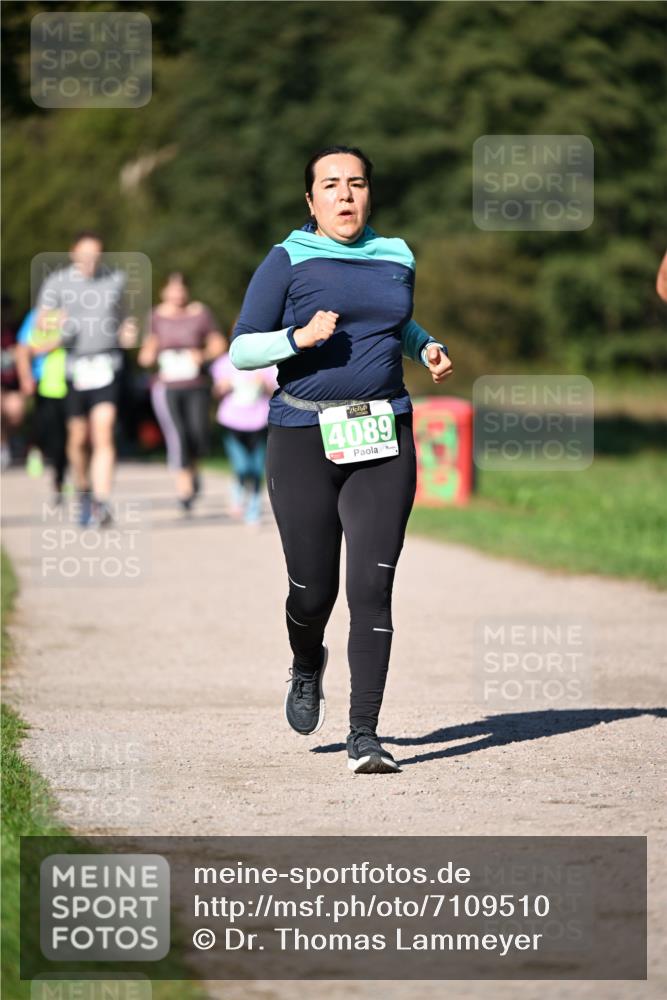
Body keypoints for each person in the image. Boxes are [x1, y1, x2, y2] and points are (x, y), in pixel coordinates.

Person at [230, 145, 452, 774]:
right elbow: (243, 350)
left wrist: (426, 345)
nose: (345, 196)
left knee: (372, 588)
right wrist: (297, 339)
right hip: (303, 434)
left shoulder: (397, 255)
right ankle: (306, 662)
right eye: (331, 185)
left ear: (369, 194)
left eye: (356, 184)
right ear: (311, 200)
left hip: (384, 431)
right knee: (313, 590)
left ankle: (365, 735)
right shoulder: (288, 258)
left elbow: (393, 323)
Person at [34, 231, 138, 526]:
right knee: (78, 438)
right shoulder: (58, 282)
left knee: (103, 432)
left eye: (96, 254)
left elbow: (125, 316)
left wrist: (128, 330)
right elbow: (41, 319)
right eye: (85, 254)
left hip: (107, 364)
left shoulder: (114, 280)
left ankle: (102, 502)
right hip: (74, 367)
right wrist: (56, 321)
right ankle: (83, 490)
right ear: (73, 254)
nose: (90, 260)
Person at [138, 273, 225, 512]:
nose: (177, 295)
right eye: (172, 290)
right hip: (167, 386)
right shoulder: (156, 316)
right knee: (178, 435)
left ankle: (193, 471)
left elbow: (218, 344)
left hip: (196, 384)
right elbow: (150, 346)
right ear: (163, 292)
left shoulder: (200, 313)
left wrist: (203, 355)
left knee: (197, 434)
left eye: (181, 290)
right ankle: (184, 488)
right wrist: (147, 354)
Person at [211, 348, 277, 525]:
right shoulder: (224, 362)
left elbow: (275, 391)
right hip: (232, 421)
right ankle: (237, 490)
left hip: (259, 421)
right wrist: (223, 386)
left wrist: (264, 384)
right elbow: (215, 391)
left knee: (257, 468)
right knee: (242, 466)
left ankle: (253, 509)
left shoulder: (268, 360)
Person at [15, 308, 69, 501]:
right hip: (49, 383)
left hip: (80, 382)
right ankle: (58, 480)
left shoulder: (84, 311)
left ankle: (77, 480)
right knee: (54, 434)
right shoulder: (39, 314)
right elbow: (24, 348)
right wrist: (25, 376)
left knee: (75, 434)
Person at [1, 294, 26, 469]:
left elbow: (24, 352)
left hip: (13, 384)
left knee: (16, 414)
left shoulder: (16, 330)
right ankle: (3, 447)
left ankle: (8, 440)